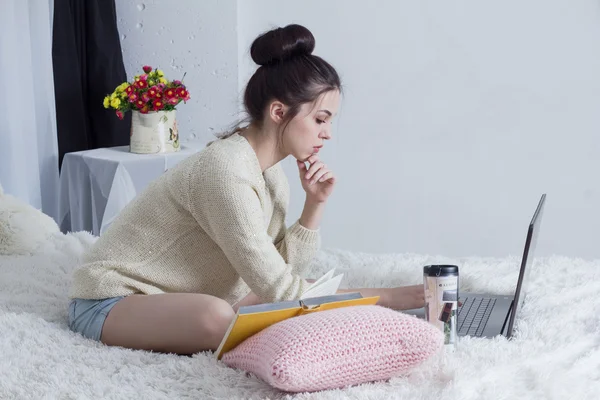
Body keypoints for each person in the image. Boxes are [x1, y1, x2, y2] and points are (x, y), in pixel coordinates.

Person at [67, 24, 424, 355]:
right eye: (320, 119)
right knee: (216, 316)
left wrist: (314, 205)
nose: (327, 133)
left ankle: (410, 300)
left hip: (178, 298)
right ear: (279, 112)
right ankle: (402, 302)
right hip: (110, 302)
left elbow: (282, 272)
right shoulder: (225, 171)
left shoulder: (269, 172)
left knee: (290, 294)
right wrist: (394, 299)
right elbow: (281, 290)